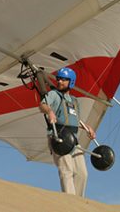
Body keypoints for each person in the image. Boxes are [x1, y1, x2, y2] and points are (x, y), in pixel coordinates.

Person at [39, 67, 96, 197]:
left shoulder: (74, 101)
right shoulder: (54, 94)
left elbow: (75, 119)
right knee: (67, 170)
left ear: (71, 82)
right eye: (58, 79)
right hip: (59, 137)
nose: (60, 81)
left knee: (82, 173)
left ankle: (78, 203)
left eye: (64, 80)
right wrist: (49, 111)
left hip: (73, 140)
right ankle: (70, 204)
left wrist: (87, 127)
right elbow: (42, 105)